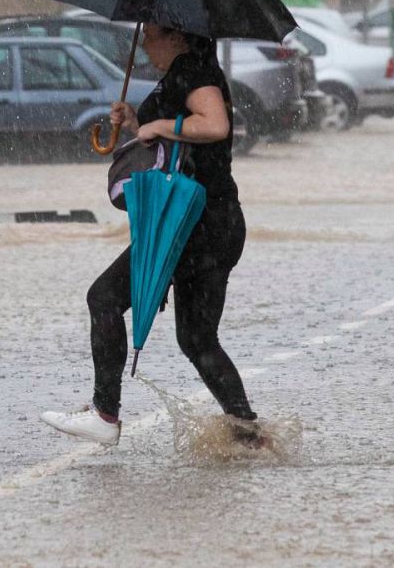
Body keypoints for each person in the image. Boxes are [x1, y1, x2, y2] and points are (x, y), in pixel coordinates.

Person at [41, 23, 257, 446]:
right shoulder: (195, 70)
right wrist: (138, 122)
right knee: (196, 338)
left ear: (177, 35)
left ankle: (105, 414)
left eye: (152, 34)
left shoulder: (191, 71)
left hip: (191, 224)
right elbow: (179, 144)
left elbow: (214, 125)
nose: (144, 42)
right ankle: (248, 434)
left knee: (103, 298)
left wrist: (160, 125)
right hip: (214, 223)